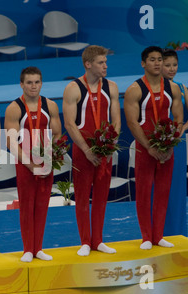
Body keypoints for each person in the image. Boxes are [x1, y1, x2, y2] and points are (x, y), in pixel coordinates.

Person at [62, 45, 121, 256]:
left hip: (104, 150)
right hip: (83, 150)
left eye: (106, 62)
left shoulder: (112, 87)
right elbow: (69, 124)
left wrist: (110, 144)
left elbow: (116, 120)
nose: (105, 66)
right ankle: (85, 241)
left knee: (101, 197)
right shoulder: (74, 88)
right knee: (82, 196)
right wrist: (87, 150)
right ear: (88, 64)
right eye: (101, 63)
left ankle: (98, 240)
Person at [124, 46, 183, 250]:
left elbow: (178, 118)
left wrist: (170, 143)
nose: (157, 63)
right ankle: (147, 237)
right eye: (152, 60)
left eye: (160, 59)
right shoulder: (135, 89)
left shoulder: (173, 88)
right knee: (143, 191)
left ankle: (158, 235)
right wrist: (149, 147)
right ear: (143, 63)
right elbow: (132, 123)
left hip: (166, 147)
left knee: (162, 191)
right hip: (144, 148)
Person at [4, 66, 62, 262]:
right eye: (29, 82)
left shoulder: (50, 105)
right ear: (21, 84)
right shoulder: (14, 108)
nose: (33, 86)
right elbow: (11, 142)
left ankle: (38, 248)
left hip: (45, 161)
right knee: (27, 206)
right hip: (25, 163)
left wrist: (49, 158)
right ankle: (28, 249)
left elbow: (57, 134)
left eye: (37, 82)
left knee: (42, 206)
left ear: (41, 83)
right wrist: (31, 165)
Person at [162, 49, 188, 237]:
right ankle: (158, 233)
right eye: (167, 65)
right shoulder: (153, 89)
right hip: (158, 142)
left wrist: (182, 129)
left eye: (174, 65)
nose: (171, 69)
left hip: (178, 143)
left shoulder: (182, 88)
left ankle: (178, 232)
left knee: (176, 188)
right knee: (160, 188)